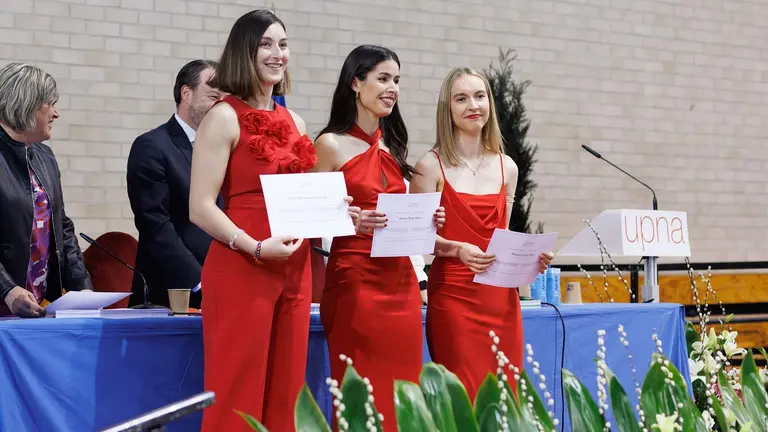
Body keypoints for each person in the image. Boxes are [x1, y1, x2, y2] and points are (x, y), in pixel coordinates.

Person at [188, 10, 356, 431]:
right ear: (244, 51)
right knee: (236, 392)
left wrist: (338, 211)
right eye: (266, 44)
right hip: (244, 264)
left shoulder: (295, 121)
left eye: (283, 44)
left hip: (295, 269)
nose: (277, 54)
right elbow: (201, 207)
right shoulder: (222, 116)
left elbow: (305, 200)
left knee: (286, 393)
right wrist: (255, 246)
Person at [313, 44, 444, 430]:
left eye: (397, 80)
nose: (393, 88)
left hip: (400, 281)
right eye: (383, 78)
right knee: (358, 391)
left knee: (400, 390)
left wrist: (429, 218)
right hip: (354, 281)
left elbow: (401, 217)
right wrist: (349, 221)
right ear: (356, 83)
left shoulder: (393, 144)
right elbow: (310, 216)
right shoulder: (330, 144)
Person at [410, 67, 552, 400]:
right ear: (447, 109)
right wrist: (455, 249)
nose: (473, 105)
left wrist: (531, 259)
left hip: (500, 299)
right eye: (461, 98)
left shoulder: (508, 167)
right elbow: (415, 239)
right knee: (464, 397)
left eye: (480, 96)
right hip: (453, 298)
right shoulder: (429, 166)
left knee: (506, 398)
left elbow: (501, 236)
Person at [126, 60, 222, 309]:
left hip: (224, 284)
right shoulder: (152, 146)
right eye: (214, 96)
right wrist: (200, 282)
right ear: (186, 93)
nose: (221, 106)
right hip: (172, 292)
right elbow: (155, 224)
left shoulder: (225, 150)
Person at [0, 63, 93, 318]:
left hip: (37, 305)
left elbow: (62, 227)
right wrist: (7, 289)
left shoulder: (45, 156)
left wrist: (81, 287)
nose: (56, 113)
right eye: (50, 103)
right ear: (26, 104)